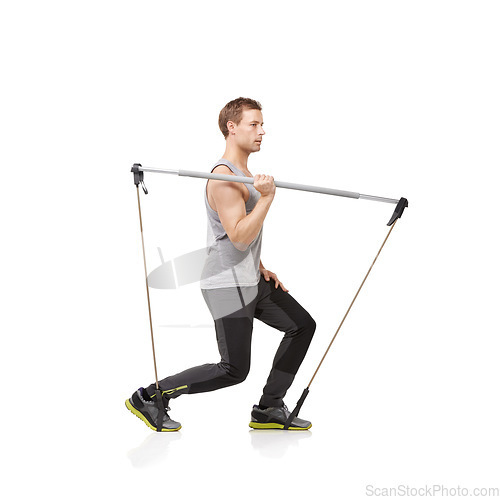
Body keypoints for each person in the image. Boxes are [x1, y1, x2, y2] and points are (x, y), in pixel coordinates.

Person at [126, 97, 316, 431]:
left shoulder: (246, 175)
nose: (262, 131)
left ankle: (269, 407)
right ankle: (152, 396)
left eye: (261, 124)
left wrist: (259, 265)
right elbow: (240, 236)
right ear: (232, 127)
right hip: (227, 286)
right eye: (253, 124)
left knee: (302, 325)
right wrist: (268, 198)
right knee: (233, 370)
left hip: (250, 279)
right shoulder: (225, 178)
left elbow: (237, 239)